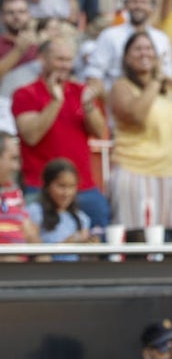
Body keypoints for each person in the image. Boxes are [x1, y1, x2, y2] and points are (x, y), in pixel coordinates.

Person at [13, 36, 110, 227]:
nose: (65, 65)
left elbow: (100, 132)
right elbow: (31, 136)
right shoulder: (25, 93)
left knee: (100, 243)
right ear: (42, 59)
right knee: (41, 249)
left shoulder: (80, 91)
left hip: (83, 187)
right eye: (59, 59)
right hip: (41, 188)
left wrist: (89, 106)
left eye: (68, 60)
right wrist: (55, 102)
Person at [108, 32, 172, 230]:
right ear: (126, 57)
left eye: (149, 48)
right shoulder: (121, 87)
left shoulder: (168, 87)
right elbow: (136, 115)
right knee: (140, 240)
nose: (144, 53)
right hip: (137, 173)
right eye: (138, 49)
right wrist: (155, 80)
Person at [28, 158, 95, 260]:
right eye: (61, 186)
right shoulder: (35, 212)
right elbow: (37, 256)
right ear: (47, 186)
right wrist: (65, 245)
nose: (66, 193)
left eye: (72, 186)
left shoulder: (81, 219)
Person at [0, 130, 37, 246]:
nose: (17, 167)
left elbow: (31, 235)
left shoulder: (14, 191)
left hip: (21, 262)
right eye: (13, 158)